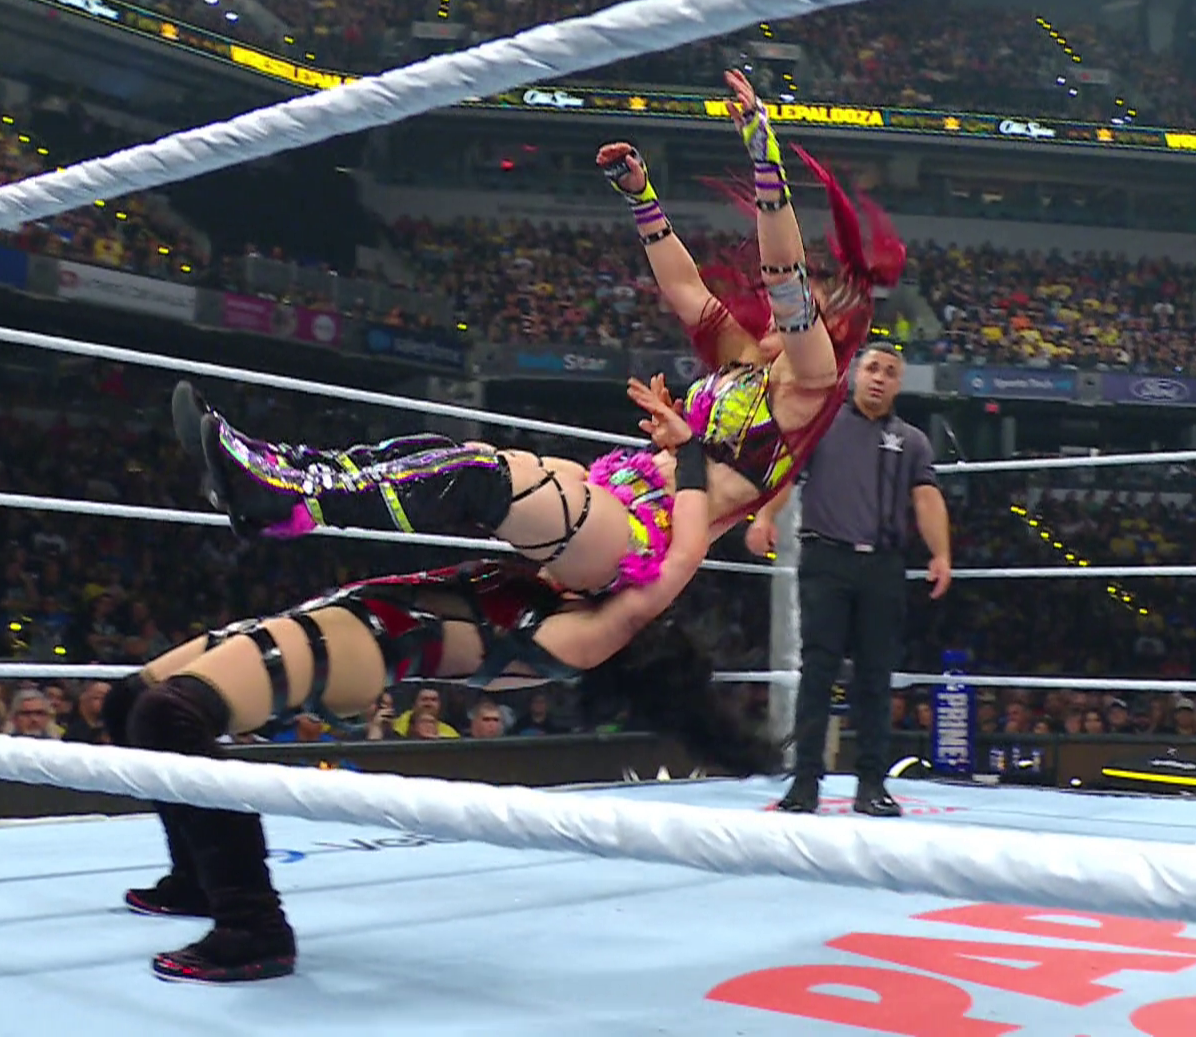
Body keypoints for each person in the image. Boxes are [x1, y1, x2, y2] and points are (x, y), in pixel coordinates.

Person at [105, 383, 774, 985]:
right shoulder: (563, 585)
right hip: (357, 610)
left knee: (167, 716)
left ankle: (253, 926)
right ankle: (195, 878)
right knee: (128, 702)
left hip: (368, 642)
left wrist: (693, 458)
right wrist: (667, 455)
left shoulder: (590, 634)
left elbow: (679, 558)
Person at [596, 69, 906, 531]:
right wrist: (641, 198)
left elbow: (784, 279)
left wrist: (765, 159)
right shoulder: (744, 358)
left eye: (800, 314)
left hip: (654, 533)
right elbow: (684, 289)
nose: (773, 315)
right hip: (635, 487)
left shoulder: (810, 380)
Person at [178, 378, 684, 597]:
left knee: (476, 477)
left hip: (635, 536)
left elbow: (723, 517)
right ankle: (281, 471)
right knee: (447, 451)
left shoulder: (729, 452)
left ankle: (289, 498)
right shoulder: (718, 400)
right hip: (614, 495)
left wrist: (691, 449)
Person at [746, 343, 950, 816]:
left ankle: (872, 784)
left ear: (899, 384)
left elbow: (926, 498)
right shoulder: (822, 425)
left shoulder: (913, 441)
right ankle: (805, 783)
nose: (879, 377)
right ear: (857, 373)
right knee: (817, 672)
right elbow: (786, 473)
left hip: (883, 565)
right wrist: (764, 517)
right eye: (873, 368)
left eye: (890, 372)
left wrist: (941, 553)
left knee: (876, 676)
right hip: (827, 560)